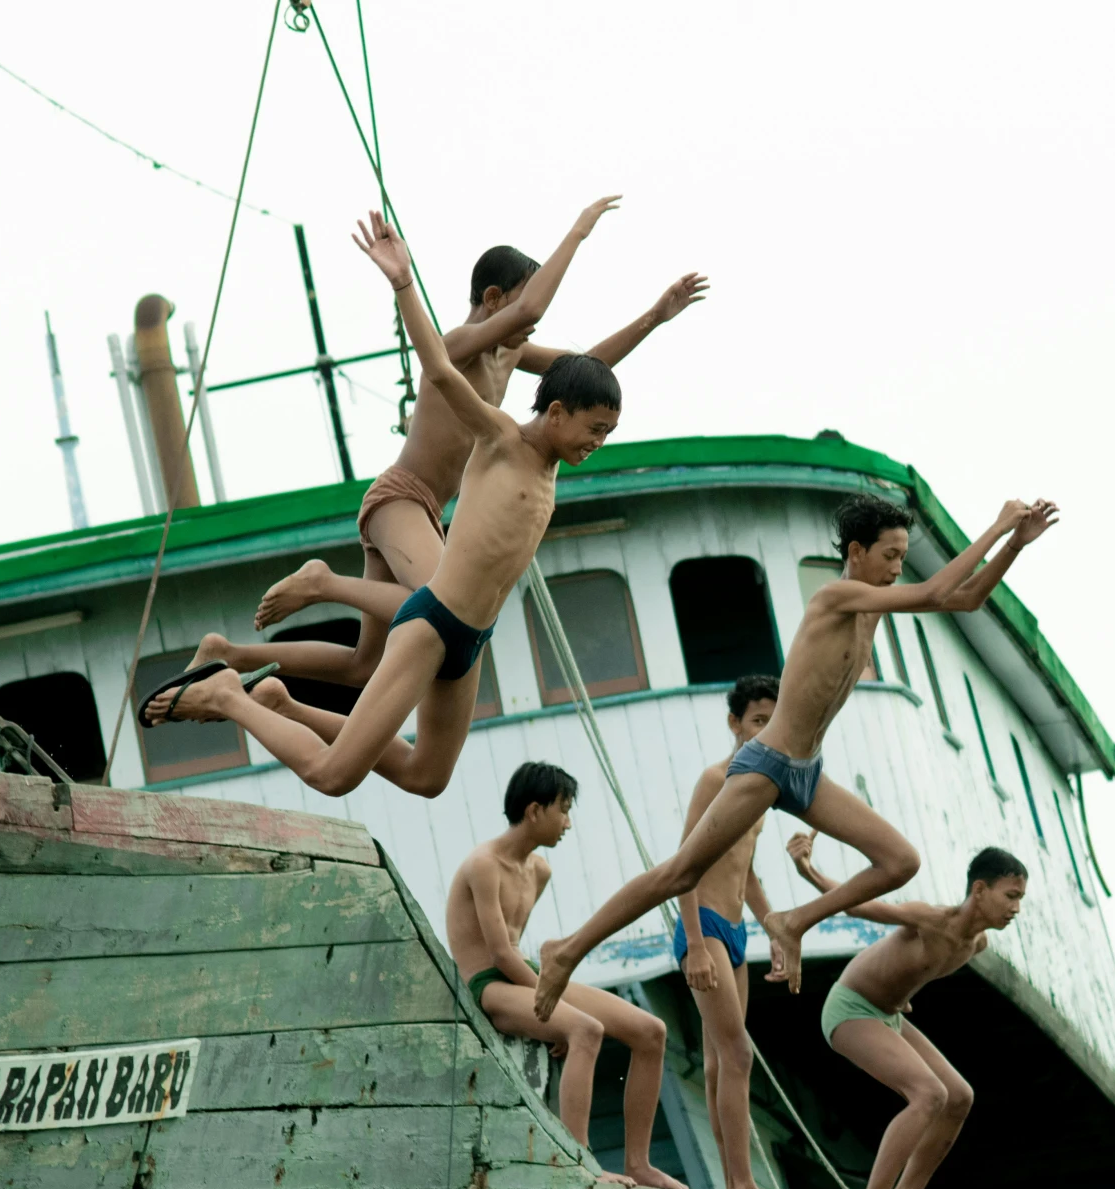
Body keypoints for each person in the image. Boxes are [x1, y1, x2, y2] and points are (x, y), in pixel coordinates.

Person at [140, 212, 622, 798]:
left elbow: (587, 369)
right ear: (555, 413)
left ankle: (276, 697)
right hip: (423, 577)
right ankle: (234, 688)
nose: (597, 444)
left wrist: (654, 316)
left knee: (426, 774)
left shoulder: (533, 411)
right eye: (594, 430)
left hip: (470, 638)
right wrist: (404, 282)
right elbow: (443, 366)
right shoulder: (501, 435)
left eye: (607, 434)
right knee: (332, 774)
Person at [530, 491, 1060, 1019]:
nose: (898, 568)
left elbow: (961, 600)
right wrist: (993, 527)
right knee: (680, 874)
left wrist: (1015, 543)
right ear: (856, 552)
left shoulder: (873, 608)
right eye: (890, 556)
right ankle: (567, 949)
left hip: (807, 772)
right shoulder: (836, 597)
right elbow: (936, 590)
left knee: (901, 862)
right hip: (769, 765)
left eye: (903, 557)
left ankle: (794, 920)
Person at [185, 199, 706, 689]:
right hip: (400, 498)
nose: (531, 322)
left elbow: (583, 370)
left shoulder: (508, 354)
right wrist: (578, 230)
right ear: (495, 300)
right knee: (440, 602)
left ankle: (227, 654)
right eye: (522, 305)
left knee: (363, 666)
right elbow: (529, 313)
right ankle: (322, 582)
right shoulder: (457, 346)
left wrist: (653, 318)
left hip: (424, 512)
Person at [444, 761, 687, 1189]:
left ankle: (639, 1162)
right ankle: (581, 1160)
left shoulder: (539, 871)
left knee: (651, 1031)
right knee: (585, 1028)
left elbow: (519, 947)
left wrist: (545, 1001)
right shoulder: (483, 864)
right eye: (564, 809)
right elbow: (499, 953)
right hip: (489, 985)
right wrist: (551, 1004)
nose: (568, 823)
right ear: (535, 811)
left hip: (527, 977)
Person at [786, 835, 1030, 1189]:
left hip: (887, 1014)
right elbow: (858, 906)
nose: (1016, 908)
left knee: (959, 1096)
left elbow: (914, 969)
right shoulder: (932, 918)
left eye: (1021, 898)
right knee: (929, 1094)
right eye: (1011, 896)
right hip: (850, 1009)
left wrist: (901, 995)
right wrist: (807, 869)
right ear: (980, 889)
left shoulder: (977, 943)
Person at [675, 674, 803, 1189]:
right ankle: (744, 1186)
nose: (765, 731)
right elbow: (684, 865)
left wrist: (773, 926)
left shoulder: (761, 791)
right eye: (757, 721)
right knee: (738, 1054)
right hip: (701, 926)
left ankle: (733, 1185)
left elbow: (744, 871)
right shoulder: (715, 780)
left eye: (773, 722)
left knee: (716, 1063)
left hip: (736, 932)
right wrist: (698, 946)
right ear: (735, 724)